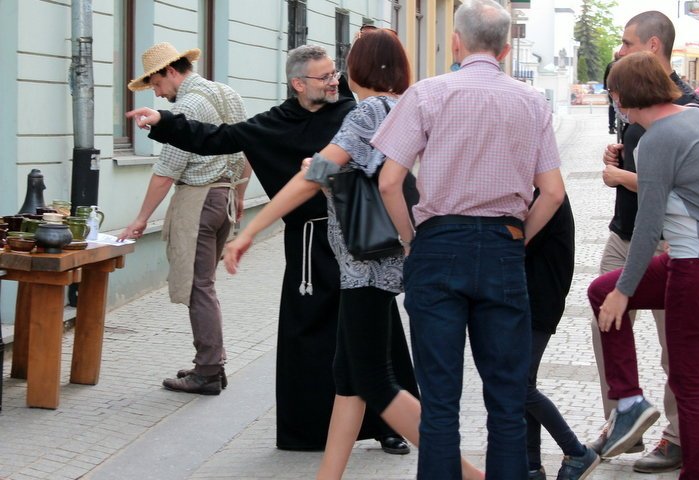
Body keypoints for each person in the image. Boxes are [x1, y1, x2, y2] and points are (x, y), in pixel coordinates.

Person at [220, 28, 483, 480]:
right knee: (349, 378)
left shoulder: (368, 114)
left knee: (376, 382)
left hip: (367, 266)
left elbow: (316, 175)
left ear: (362, 69)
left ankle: (468, 474)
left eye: (347, 63)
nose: (341, 74)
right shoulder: (407, 107)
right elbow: (355, 172)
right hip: (374, 263)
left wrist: (250, 230)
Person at [125, 45, 413, 452]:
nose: (335, 81)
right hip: (309, 245)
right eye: (325, 76)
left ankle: (389, 425)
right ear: (298, 83)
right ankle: (311, 429)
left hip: (359, 239)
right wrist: (163, 121)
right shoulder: (275, 123)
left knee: (373, 331)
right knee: (309, 333)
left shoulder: (354, 114)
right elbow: (217, 138)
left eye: (335, 74)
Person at [375, 1, 565, 477]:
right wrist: (517, 240)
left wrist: (409, 239)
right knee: (505, 401)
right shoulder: (531, 101)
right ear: (505, 47)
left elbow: (388, 181)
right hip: (503, 244)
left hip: (437, 245)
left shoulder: (426, 94)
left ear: (456, 42)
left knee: (439, 402)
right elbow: (554, 192)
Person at [590, 50, 699, 480]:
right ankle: (629, 404)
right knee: (600, 291)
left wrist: (626, 291)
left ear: (623, 96)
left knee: (690, 388)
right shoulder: (695, 117)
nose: (614, 102)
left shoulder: (659, 138)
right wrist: (618, 289)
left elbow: (648, 224)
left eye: (612, 94)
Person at [588, 11, 699, 474]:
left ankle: (675, 437)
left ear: (653, 46)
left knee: (675, 342)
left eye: (627, 42)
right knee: (605, 320)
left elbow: (677, 183)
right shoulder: (633, 92)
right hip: (624, 233)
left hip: (667, 243)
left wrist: (623, 176)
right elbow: (640, 152)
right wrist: (619, 152)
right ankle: (623, 417)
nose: (619, 49)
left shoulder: (687, 105)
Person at [118, 42, 250, 395]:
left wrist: (141, 219)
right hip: (223, 197)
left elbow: (167, 171)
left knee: (197, 287)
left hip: (200, 199)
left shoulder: (189, 105)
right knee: (204, 283)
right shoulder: (226, 93)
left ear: (171, 72)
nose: (158, 94)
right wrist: (238, 194)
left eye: (157, 84)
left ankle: (207, 370)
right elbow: (248, 146)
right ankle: (211, 364)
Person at [524, 192, 599, 480]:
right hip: (534, 301)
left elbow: (517, 245)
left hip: (539, 303)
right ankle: (531, 465)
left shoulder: (548, 199)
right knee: (524, 383)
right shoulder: (541, 196)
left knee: (518, 385)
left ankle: (577, 452)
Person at [604, 52, 620, 135]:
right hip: (621, 90)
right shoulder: (625, 64)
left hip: (612, 89)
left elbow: (605, 77)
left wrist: (606, 88)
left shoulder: (610, 65)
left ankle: (611, 126)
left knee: (611, 106)